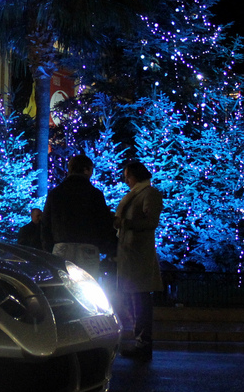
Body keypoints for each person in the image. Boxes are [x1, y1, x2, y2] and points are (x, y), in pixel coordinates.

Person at [114, 160, 164, 359]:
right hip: (130, 254)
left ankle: (143, 343)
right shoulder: (137, 194)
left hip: (139, 255)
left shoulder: (149, 193)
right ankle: (140, 342)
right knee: (135, 299)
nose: (125, 179)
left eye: (127, 175)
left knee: (140, 300)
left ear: (135, 176)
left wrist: (123, 222)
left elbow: (151, 221)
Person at [42, 154, 114, 278]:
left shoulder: (55, 193)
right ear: (86, 170)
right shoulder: (95, 194)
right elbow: (104, 223)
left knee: (63, 288)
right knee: (88, 286)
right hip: (88, 247)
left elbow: (46, 223)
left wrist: (49, 248)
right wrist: (105, 247)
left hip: (61, 247)